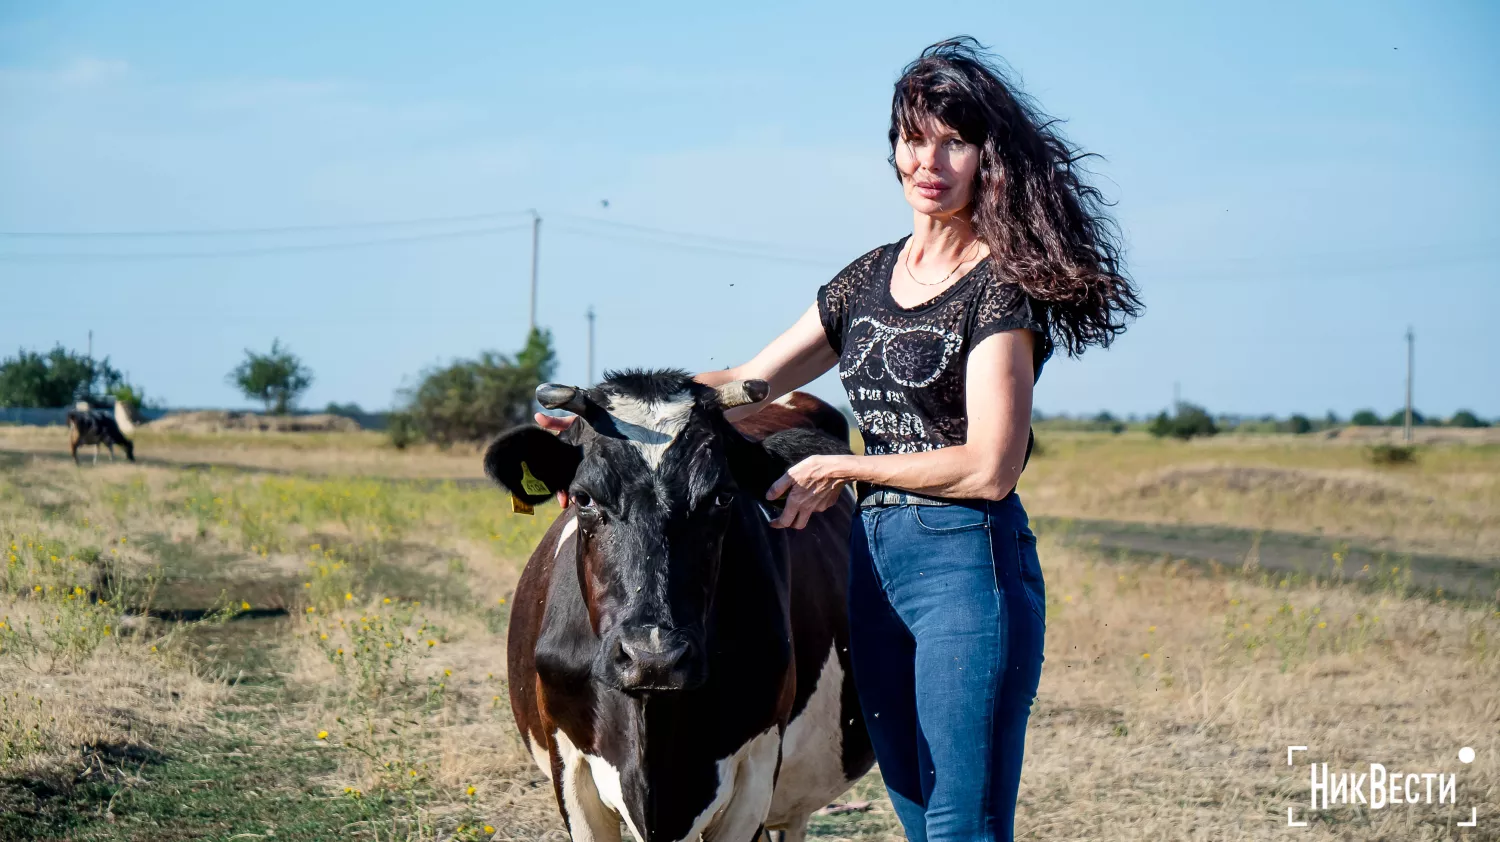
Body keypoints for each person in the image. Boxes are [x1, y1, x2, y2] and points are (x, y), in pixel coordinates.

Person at [537, 36, 1141, 842]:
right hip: (873, 567)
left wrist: (840, 465)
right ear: (893, 148)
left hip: (968, 563)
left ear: (989, 158)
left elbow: (991, 467)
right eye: (914, 138)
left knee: (965, 820)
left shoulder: (1002, 288)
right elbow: (749, 383)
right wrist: (615, 414)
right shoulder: (867, 278)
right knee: (915, 803)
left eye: (955, 141)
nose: (930, 161)